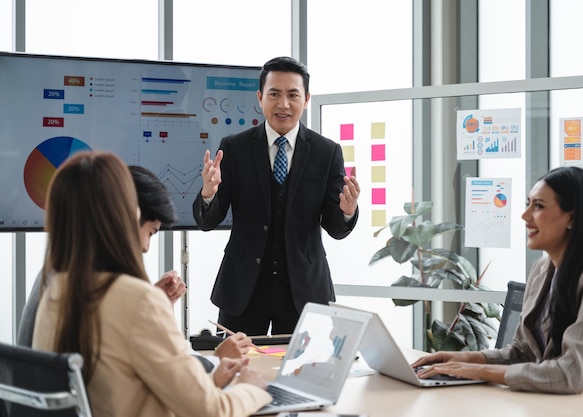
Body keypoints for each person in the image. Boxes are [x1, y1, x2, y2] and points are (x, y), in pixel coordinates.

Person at [32, 151, 271, 416]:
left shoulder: (55, 289)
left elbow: (119, 387)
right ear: (121, 216)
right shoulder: (136, 300)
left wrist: (210, 378)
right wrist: (253, 389)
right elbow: (213, 411)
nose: (146, 247)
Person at [413, 166, 583, 399]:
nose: (525, 216)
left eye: (538, 206)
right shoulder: (542, 269)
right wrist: (463, 359)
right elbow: (522, 352)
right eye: (528, 204)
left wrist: (477, 371)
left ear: (571, 218)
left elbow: (572, 374)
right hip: (551, 405)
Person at [18, 164, 251, 370]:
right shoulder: (102, 283)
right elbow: (170, 371)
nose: (146, 247)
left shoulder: (62, 267)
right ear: (126, 216)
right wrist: (218, 360)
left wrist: (151, 304)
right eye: (150, 232)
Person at [193, 56, 360, 336]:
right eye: (274, 94)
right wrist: (208, 194)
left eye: (293, 95)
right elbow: (209, 220)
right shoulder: (234, 147)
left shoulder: (326, 152)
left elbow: (335, 227)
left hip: (304, 292)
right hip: (243, 289)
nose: (283, 104)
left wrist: (346, 211)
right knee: (235, 372)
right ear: (260, 97)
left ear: (306, 99)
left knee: (303, 375)